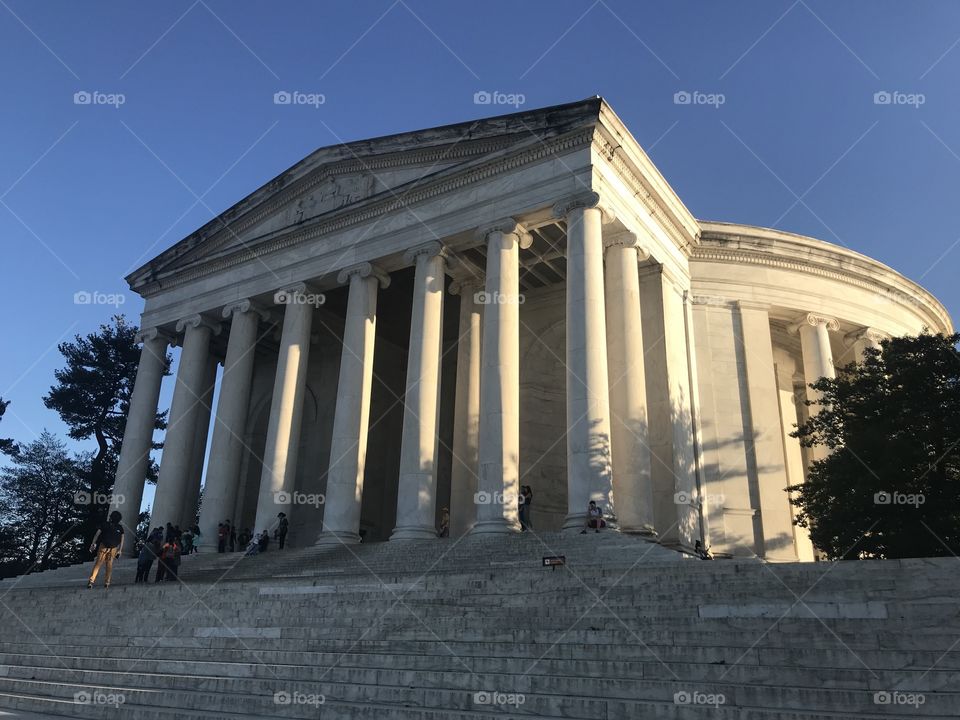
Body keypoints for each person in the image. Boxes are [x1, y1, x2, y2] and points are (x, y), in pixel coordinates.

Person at [87, 510, 124, 589]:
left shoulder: (105, 524)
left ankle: (91, 581)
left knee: (98, 564)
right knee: (109, 565)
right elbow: (122, 539)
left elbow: (97, 534)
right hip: (113, 548)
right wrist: (120, 550)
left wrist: (93, 543)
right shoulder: (120, 528)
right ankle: (107, 582)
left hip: (104, 546)